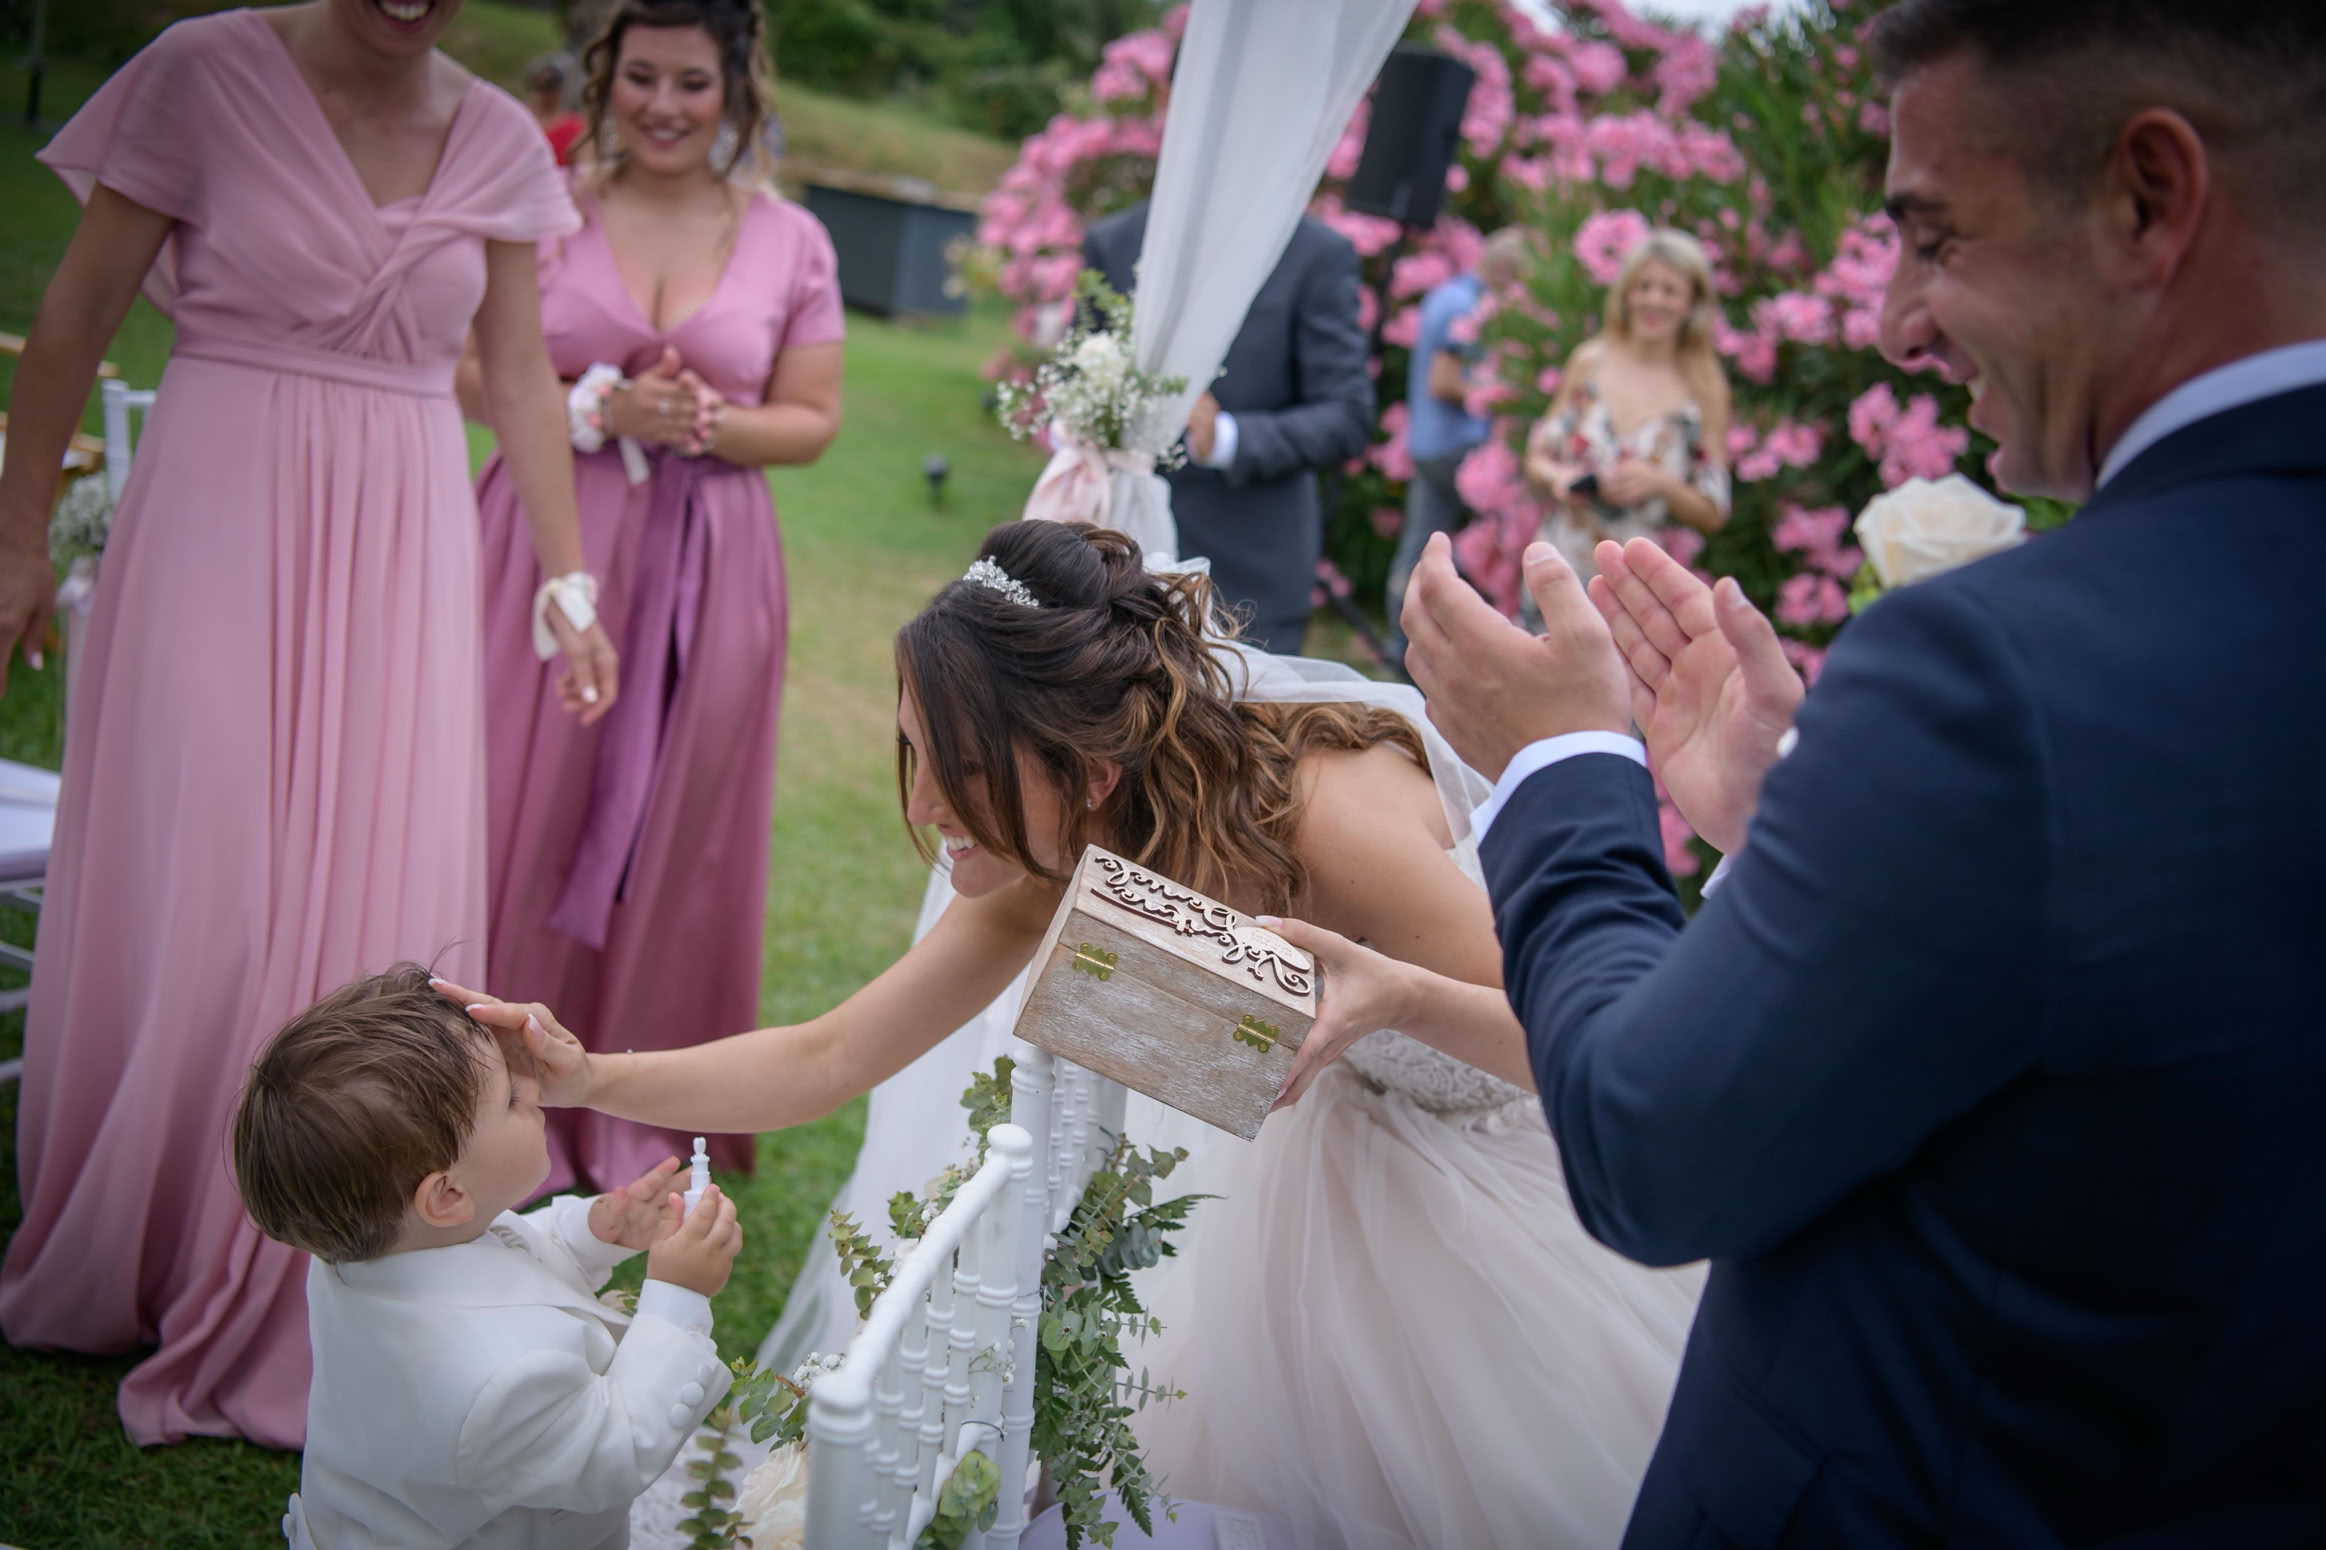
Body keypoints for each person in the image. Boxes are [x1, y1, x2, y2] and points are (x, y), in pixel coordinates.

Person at [1390, 0, 2326, 1542]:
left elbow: (1651, 1147)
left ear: (2146, 197)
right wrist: (1792, 822)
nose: (1894, 321)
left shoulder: (1998, 676)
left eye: (1935, 237)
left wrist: (1563, 766)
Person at [443, 520, 1706, 1548]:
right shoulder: (1050, 853)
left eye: (957, 769)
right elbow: (830, 1055)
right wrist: (589, 1072)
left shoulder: (1331, 813)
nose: (927, 806)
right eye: (909, 754)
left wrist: (1396, 995)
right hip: (1322, 1181)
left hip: (1523, 1165)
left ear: (1088, 767)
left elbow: (1601, 1048)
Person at [0, 0, 617, 1449]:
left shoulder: (494, 134)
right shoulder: (201, 73)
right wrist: (19, 541)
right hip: (215, 516)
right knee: (203, 883)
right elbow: (74, 322)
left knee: (361, 892)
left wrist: (567, 584)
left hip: (399, 539)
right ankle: (140, 1229)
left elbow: (518, 374)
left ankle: (316, 1239)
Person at [456, 0, 843, 1197]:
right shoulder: (545, 204)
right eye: (640, 79)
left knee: (680, 830)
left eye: (690, 82)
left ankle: (632, 1100)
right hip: (542, 540)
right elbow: (472, 366)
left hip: (712, 570)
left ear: (734, 88)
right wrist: (595, 410)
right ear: (603, 78)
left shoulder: (791, 239)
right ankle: (464, 1080)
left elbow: (813, 418)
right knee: (508, 799)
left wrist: (707, 421)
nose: (664, 107)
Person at [232, 964, 740, 1549]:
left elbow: (504, 1253)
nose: (533, 1088)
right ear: (446, 1194)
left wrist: (594, 1233)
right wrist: (679, 1297)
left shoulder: (365, 1255)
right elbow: (613, 1448)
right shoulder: (495, 1382)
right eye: (511, 1098)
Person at [1081, 205, 1373, 653]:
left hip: (1248, 573)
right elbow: (1075, 372)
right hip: (1115, 556)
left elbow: (1345, 416)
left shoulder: (1314, 254)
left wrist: (1228, 439)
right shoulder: (1115, 240)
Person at [1521, 229, 1731, 582]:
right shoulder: (1589, 362)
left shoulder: (1705, 390)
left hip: (1640, 589)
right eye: (1643, 286)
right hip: (1559, 570)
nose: (1654, 300)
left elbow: (1714, 513)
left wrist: (1661, 484)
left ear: (1692, 303)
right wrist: (1559, 477)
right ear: (1626, 294)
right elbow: (1535, 459)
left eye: (1669, 290)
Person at [1386, 227, 1530, 660]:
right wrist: (1505, 392)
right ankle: (1455, 646)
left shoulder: (1445, 294)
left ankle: (1401, 648)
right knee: (1477, 550)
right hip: (1456, 449)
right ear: (1503, 269)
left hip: (1428, 444)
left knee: (1419, 548)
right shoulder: (1467, 305)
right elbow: (1444, 380)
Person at [526, 53, 587, 166]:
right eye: (539, 86)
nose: (545, 93)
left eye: (550, 85)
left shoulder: (573, 125)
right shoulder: (524, 116)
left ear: (560, 88)